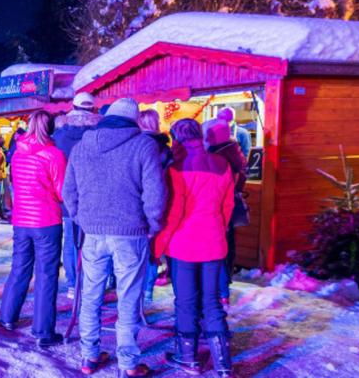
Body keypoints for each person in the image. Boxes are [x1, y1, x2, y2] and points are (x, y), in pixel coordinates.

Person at [63, 98, 166, 377]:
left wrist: (80, 218)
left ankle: (89, 356)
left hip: (93, 232)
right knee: (128, 297)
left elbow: (68, 191)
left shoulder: (82, 146)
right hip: (131, 233)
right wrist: (152, 225)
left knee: (91, 295)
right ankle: (128, 364)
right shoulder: (144, 145)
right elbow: (155, 194)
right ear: (134, 120)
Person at [154, 118, 235, 378]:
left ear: (177, 138)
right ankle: (223, 364)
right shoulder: (222, 165)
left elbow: (174, 214)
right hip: (213, 241)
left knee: (186, 302)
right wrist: (218, 230)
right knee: (212, 301)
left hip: (183, 244)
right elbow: (227, 207)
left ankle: (187, 358)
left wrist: (157, 247)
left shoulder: (176, 168)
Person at [0, 111, 67, 348]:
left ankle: (7, 316)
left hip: (22, 219)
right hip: (46, 220)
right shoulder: (54, 155)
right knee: (46, 275)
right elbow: (61, 191)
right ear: (50, 129)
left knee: (19, 268)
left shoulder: (17, 153)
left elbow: (17, 184)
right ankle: (43, 330)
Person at [51, 92, 101, 299]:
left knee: (71, 240)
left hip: (67, 196)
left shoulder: (59, 135)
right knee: (94, 241)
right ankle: (92, 282)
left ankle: (73, 283)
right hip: (95, 197)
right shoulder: (99, 134)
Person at [204, 117, 249, 307]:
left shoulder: (218, 158)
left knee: (217, 251)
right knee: (226, 247)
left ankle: (219, 291)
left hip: (218, 208)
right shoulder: (232, 153)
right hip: (227, 209)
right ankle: (224, 289)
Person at [137, 109, 174, 303]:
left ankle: (136, 291)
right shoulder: (165, 149)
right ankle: (148, 290)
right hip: (161, 202)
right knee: (153, 248)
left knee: (137, 249)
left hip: (137, 202)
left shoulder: (135, 146)